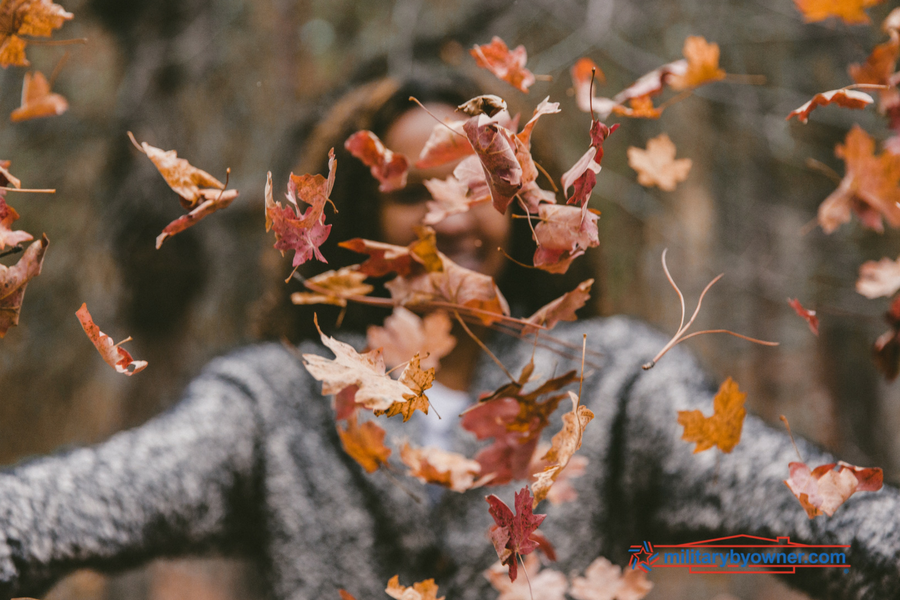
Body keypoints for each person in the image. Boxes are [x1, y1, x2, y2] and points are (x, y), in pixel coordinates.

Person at [0, 70, 898, 600]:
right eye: (413, 191)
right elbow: (90, 499)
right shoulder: (276, 403)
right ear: (356, 218)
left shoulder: (616, 383)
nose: (453, 217)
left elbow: (812, 520)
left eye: (481, 185)